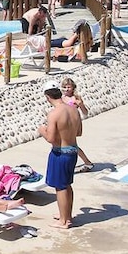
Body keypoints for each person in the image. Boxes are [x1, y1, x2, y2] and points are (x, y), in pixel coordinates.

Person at [39, 81, 83, 229]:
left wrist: (42, 131)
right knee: (67, 184)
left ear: (47, 97)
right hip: (73, 151)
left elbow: (51, 138)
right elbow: (79, 133)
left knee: (60, 187)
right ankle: (66, 215)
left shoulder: (54, 114)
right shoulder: (74, 110)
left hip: (60, 153)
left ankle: (64, 221)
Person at [60, 78, 95, 173]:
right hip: (63, 122)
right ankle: (86, 162)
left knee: (70, 144)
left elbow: (85, 112)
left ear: (73, 88)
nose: (66, 89)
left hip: (72, 123)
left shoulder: (76, 98)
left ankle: (86, 162)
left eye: (69, 87)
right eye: (64, 87)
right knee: (65, 144)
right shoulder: (61, 98)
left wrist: (81, 104)